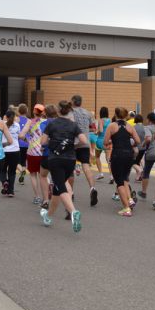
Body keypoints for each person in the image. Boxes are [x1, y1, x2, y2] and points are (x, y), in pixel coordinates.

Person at [39, 100, 87, 232]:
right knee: (57, 189)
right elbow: (83, 140)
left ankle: (73, 212)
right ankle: (48, 216)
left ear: (58, 110)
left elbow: (43, 142)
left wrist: (53, 142)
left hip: (56, 159)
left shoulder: (52, 124)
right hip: (70, 159)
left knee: (61, 188)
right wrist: (72, 145)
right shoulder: (74, 125)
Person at [104, 107, 141, 216]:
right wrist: (130, 144)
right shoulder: (130, 126)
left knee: (119, 181)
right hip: (129, 155)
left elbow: (106, 142)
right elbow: (138, 141)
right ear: (125, 116)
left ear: (115, 115)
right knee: (125, 179)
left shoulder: (112, 126)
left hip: (117, 154)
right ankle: (129, 199)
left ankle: (126, 208)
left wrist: (113, 140)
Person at [69, 95, 99, 206]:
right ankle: (92, 188)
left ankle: (71, 192)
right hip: (85, 142)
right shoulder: (88, 113)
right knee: (86, 166)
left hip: (73, 143)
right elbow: (93, 128)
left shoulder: (70, 112)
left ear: (72, 101)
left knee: (70, 169)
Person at [19, 104, 46, 204]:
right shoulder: (45, 122)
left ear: (34, 111)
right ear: (43, 112)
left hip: (32, 152)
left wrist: (28, 140)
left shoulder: (30, 122)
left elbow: (21, 135)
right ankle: (46, 197)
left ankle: (37, 197)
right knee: (43, 175)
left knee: (33, 175)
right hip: (43, 152)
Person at [138, 112, 155, 200]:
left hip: (151, 153)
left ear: (149, 120)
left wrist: (143, 144)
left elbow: (148, 138)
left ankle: (144, 192)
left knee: (146, 172)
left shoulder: (147, 127)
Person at [39, 104, 58, 210]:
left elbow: (44, 140)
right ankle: (65, 202)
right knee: (60, 179)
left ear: (45, 113)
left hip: (47, 154)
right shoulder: (60, 123)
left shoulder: (44, 124)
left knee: (42, 176)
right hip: (59, 154)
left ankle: (46, 199)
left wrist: (43, 146)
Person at [0, 110, 21, 197]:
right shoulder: (17, 125)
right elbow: (18, 136)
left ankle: (4, 181)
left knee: (2, 169)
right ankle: (11, 191)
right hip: (15, 150)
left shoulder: (1, 124)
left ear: (6, 116)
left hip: (3, 149)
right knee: (12, 172)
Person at [94, 107, 111, 180]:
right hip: (107, 141)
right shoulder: (109, 120)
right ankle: (111, 176)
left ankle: (100, 173)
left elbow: (100, 130)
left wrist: (96, 132)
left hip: (100, 141)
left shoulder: (101, 120)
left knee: (97, 157)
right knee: (108, 159)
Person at [17, 103, 30, 185]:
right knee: (24, 161)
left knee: (16, 162)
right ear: (27, 111)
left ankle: (21, 170)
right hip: (26, 143)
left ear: (18, 111)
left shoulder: (16, 120)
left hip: (17, 143)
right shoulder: (29, 121)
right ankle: (23, 178)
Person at [132, 114, 147, 182]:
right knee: (138, 161)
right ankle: (138, 177)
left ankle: (140, 170)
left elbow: (132, 138)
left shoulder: (133, 127)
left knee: (132, 162)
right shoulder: (145, 127)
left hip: (135, 147)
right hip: (143, 147)